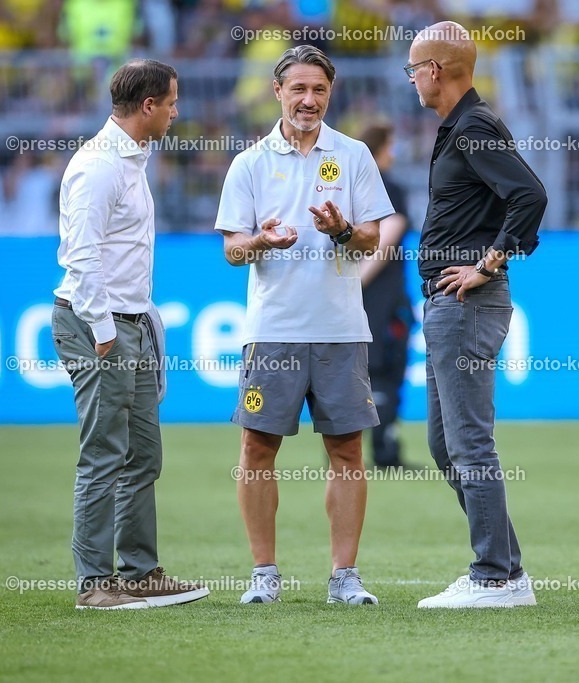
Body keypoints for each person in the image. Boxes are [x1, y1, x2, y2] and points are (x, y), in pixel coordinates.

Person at [215, 45, 393, 606]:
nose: (309, 99)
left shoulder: (354, 155)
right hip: (274, 328)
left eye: (318, 89)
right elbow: (231, 252)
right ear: (278, 92)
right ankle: (264, 574)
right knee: (257, 449)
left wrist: (343, 229)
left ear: (330, 93)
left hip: (341, 326)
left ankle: (345, 577)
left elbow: (373, 236)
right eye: (298, 89)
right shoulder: (249, 163)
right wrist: (262, 240)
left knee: (346, 452)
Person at [53, 59, 208, 610]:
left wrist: (140, 324)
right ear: (148, 106)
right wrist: (102, 332)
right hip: (100, 325)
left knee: (142, 454)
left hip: (131, 321)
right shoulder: (98, 166)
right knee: (104, 454)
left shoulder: (132, 160)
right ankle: (95, 585)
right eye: (171, 101)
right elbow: (81, 256)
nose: (175, 111)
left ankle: (140, 573)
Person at [405, 21, 547, 608]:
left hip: (466, 300)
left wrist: (487, 265)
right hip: (449, 301)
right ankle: (506, 569)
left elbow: (530, 196)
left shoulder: (474, 126)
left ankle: (495, 575)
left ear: (435, 70)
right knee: (447, 446)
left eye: (414, 67)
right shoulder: (461, 126)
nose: (412, 77)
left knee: (468, 443)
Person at [358, 121, 414, 470]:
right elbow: (386, 239)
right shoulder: (388, 187)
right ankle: (384, 452)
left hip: (355, 301)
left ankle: (345, 452)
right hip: (383, 300)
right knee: (386, 373)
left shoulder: (349, 187)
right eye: (392, 145)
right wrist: (356, 282)